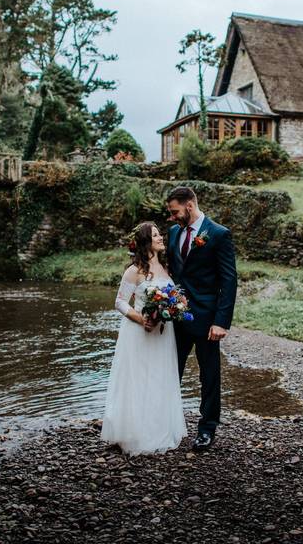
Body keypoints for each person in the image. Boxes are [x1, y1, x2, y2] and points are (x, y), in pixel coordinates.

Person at [101, 222, 187, 455]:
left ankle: (159, 428)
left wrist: (177, 306)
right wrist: (142, 319)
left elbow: (174, 296)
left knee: (160, 375)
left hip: (163, 333)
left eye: (160, 234)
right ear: (146, 242)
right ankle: (135, 432)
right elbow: (119, 302)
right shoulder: (134, 270)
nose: (161, 238)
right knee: (138, 378)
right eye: (156, 235)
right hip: (139, 332)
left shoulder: (166, 268)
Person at [165, 186, 237, 451]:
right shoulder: (173, 233)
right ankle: (167, 422)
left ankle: (207, 429)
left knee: (209, 376)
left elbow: (229, 281)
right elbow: (171, 273)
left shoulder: (218, 234)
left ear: (190, 205)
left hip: (207, 319)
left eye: (175, 212)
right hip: (176, 317)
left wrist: (221, 322)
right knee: (170, 371)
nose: (172, 218)